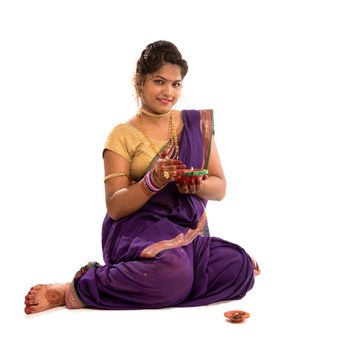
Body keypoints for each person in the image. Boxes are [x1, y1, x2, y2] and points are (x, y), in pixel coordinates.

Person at [24, 40, 259, 314]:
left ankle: (157, 281)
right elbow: (115, 206)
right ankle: (77, 287)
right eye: (160, 81)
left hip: (186, 234)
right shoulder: (122, 135)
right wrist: (152, 182)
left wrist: (195, 186)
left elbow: (219, 188)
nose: (168, 92)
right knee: (173, 274)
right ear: (140, 82)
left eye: (176, 84)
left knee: (239, 267)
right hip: (136, 234)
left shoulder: (195, 124)